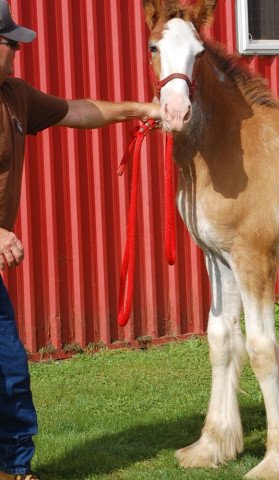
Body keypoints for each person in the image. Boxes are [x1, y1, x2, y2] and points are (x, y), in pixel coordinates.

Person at [0, 2, 160, 479]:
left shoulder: (14, 96)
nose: (17, 52)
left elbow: (75, 110)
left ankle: (14, 470)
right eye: (11, 44)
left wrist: (139, 108)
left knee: (8, 375)